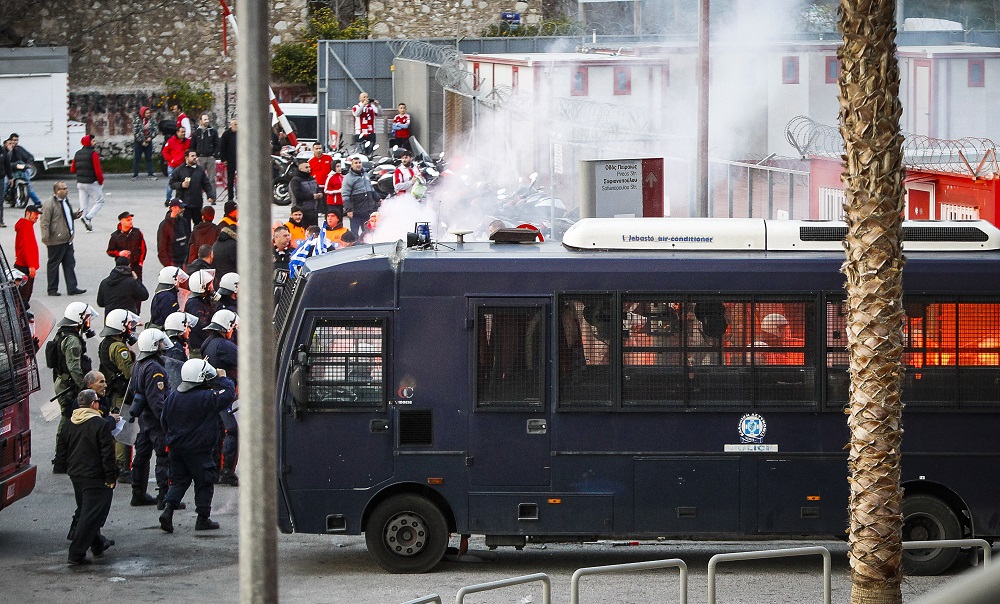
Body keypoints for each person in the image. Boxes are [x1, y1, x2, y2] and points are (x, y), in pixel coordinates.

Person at [159, 358, 236, 532]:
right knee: (204, 482)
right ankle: (203, 518)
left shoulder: (173, 397)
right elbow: (229, 394)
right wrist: (221, 378)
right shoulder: (205, 397)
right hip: (198, 450)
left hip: (176, 448)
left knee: (178, 482)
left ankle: (168, 509)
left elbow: (164, 421)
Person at [55, 388, 117, 565]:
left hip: (76, 475)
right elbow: (107, 454)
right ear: (93, 404)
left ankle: (98, 544)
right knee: (91, 515)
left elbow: (61, 449)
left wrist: (65, 467)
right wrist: (111, 477)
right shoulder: (100, 424)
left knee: (88, 511)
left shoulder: (69, 423)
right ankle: (76, 553)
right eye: (97, 400)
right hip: (95, 476)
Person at [129, 328, 184, 509]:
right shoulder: (155, 368)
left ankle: (138, 492)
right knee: (164, 457)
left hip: (144, 420)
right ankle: (164, 497)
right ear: (153, 344)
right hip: (155, 421)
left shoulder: (139, 363)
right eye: (160, 341)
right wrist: (166, 422)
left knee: (141, 457)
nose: (163, 344)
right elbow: (157, 400)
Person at [51, 302, 98, 473]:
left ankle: (63, 457)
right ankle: (60, 459)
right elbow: (74, 367)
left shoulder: (64, 333)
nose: (88, 321)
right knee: (67, 419)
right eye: (86, 318)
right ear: (79, 318)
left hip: (64, 382)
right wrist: (84, 387)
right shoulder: (72, 341)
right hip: (68, 386)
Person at [98, 308, 140, 483]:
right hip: (121, 393)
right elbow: (129, 372)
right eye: (128, 324)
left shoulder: (106, 343)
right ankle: (122, 466)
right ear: (121, 327)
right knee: (123, 428)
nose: (131, 327)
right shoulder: (119, 347)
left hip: (112, 391)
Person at [199, 310, 240, 487]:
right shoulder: (225, 346)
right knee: (232, 430)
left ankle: (214, 468)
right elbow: (246, 360)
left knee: (216, 430)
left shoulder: (208, 343)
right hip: (225, 394)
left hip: (211, 393)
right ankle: (227, 472)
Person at [40, 181, 86, 296]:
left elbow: (66, 216)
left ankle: (72, 287)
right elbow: (44, 222)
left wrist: (75, 215)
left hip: (67, 239)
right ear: (57, 191)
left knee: (69, 264)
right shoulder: (49, 204)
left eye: (66, 188)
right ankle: (52, 289)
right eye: (63, 189)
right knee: (53, 265)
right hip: (55, 241)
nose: (66, 190)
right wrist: (46, 238)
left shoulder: (65, 201)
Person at [170, 149, 214, 228]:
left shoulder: (200, 170)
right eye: (192, 156)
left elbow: (206, 184)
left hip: (197, 203)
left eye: (195, 156)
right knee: (185, 226)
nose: (195, 158)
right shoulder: (179, 170)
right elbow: (171, 183)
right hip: (184, 204)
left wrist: (210, 195)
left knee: (199, 226)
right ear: (186, 157)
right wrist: (181, 185)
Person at [70, 135, 105, 231]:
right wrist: (101, 181)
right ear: (89, 142)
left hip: (80, 183)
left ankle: (87, 224)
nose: (95, 142)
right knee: (100, 202)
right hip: (91, 182)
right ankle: (88, 217)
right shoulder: (93, 154)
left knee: (84, 205)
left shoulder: (77, 153)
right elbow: (98, 171)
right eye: (93, 141)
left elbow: (72, 169)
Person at [184, 269, 218, 357]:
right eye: (209, 284)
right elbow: (201, 327)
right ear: (203, 287)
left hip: (204, 345)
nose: (212, 286)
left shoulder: (203, 300)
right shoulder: (195, 304)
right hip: (199, 349)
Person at [342, 156, 378, 238]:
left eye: (359, 163)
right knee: (355, 233)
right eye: (356, 163)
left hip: (367, 209)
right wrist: (349, 209)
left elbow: (371, 189)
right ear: (352, 165)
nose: (358, 165)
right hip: (355, 211)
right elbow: (345, 195)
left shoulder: (366, 175)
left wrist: (378, 198)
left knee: (367, 232)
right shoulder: (348, 178)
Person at [13, 204, 41, 309]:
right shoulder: (26, 226)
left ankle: (21, 316)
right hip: (25, 267)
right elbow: (26, 247)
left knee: (22, 296)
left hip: (23, 265)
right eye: (35, 214)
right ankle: (21, 318)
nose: (37, 217)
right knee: (23, 297)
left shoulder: (25, 225)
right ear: (28, 213)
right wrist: (31, 266)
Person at [106, 211, 147, 280]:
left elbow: (143, 248)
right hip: (121, 267)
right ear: (121, 221)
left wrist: (140, 262)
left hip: (136, 265)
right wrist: (119, 253)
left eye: (131, 220)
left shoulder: (137, 232)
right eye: (128, 220)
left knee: (138, 286)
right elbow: (109, 251)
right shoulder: (115, 236)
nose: (131, 222)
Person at [7, 133, 42, 205]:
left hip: (21, 169)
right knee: (5, 184)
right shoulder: (6, 149)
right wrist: (10, 151)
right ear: (10, 140)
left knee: (28, 185)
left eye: (17, 140)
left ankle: (37, 202)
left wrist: (28, 164)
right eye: (14, 140)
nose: (15, 142)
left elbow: (29, 156)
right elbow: (6, 161)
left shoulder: (19, 149)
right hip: (10, 170)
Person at [191, 114, 220, 202]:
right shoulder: (196, 133)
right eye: (204, 119)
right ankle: (198, 197)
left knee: (211, 179)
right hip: (200, 157)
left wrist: (214, 155)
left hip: (210, 157)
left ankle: (212, 197)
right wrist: (195, 156)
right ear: (200, 121)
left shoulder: (213, 132)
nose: (207, 121)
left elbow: (217, 144)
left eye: (207, 119)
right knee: (198, 178)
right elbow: (193, 145)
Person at [157, 200, 190, 268]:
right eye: (180, 208)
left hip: (185, 261)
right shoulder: (164, 225)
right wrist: (168, 265)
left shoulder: (183, 221)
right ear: (173, 208)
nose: (183, 209)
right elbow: (161, 248)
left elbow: (189, 239)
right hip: (173, 263)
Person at [161, 126, 190, 205]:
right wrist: (171, 160)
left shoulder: (188, 142)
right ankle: (168, 199)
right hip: (173, 166)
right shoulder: (171, 141)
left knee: (182, 184)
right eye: (181, 132)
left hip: (183, 166)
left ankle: (180, 199)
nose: (183, 133)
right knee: (171, 183)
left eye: (184, 132)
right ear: (177, 132)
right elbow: (164, 152)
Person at [289, 161, 321, 228]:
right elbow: (297, 194)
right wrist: (312, 196)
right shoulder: (295, 180)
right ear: (300, 169)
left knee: (314, 231)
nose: (309, 169)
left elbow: (317, 188)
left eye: (309, 167)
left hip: (313, 210)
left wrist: (319, 193)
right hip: (302, 211)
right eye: (306, 167)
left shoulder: (312, 178)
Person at [212, 201, 238, 278]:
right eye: (236, 211)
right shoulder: (224, 224)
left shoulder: (232, 222)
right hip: (227, 265)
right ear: (230, 212)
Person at [132, 106, 158, 179]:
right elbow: (135, 131)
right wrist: (141, 141)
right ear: (143, 113)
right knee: (137, 159)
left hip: (148, 141)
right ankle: (135, 174)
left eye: (149, 113)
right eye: (147, 113)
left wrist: (151, 137)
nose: (148, 114)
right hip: (139, 143)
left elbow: (155, 129)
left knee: (149, 158)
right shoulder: (137, 120)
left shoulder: (152, 120)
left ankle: (150, 174)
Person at [218, 119, 237, 201]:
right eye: (235, 124)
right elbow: (222, 147)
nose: (237, 126)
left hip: (240, 159)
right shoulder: (226, 134)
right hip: (230, 159)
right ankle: (230, 197)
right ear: (231, 125)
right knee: (230, 179)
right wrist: (224, 159)